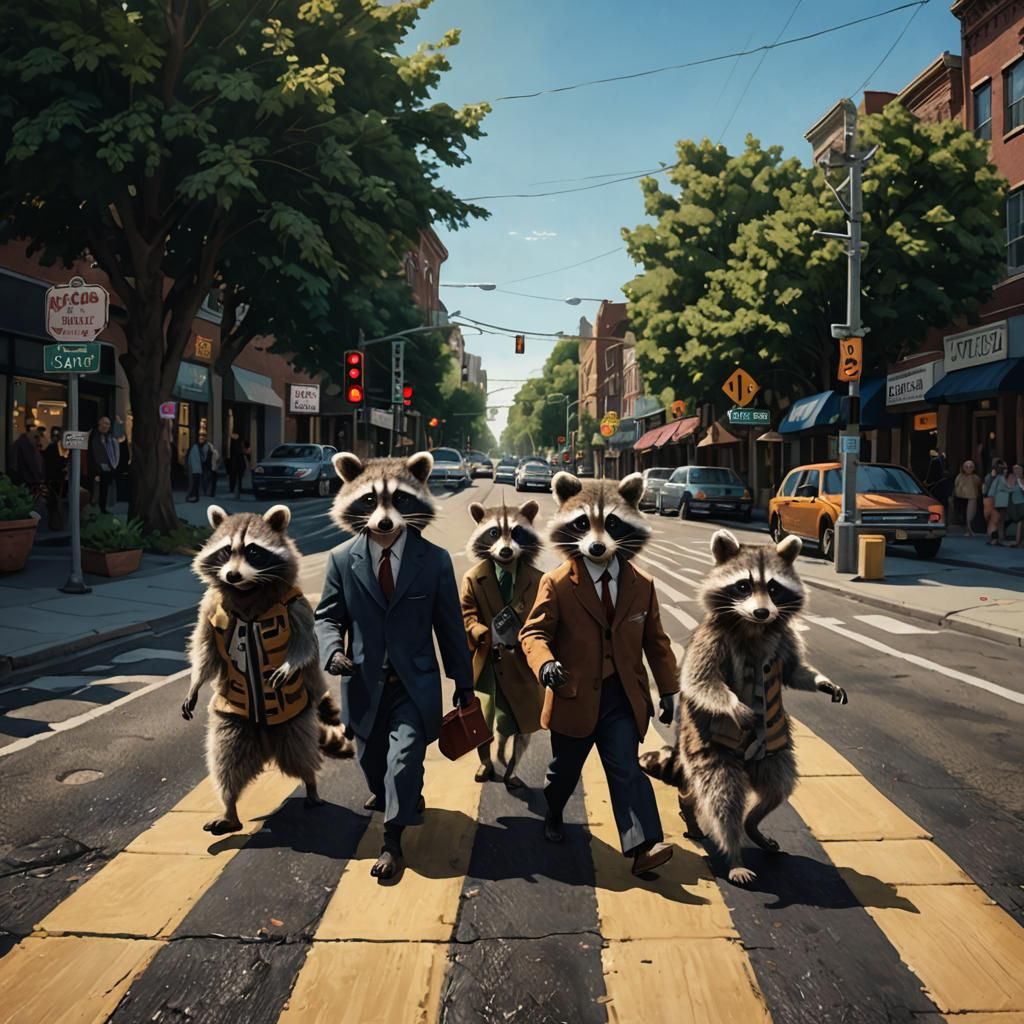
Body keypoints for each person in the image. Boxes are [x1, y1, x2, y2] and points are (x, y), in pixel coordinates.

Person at [314, 451, 474, 882]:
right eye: (370, 503)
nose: (383, 516)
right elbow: (327, 617)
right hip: (364, 683)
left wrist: (463, 683)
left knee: (403, 761)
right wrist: (332, 651)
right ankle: (395, 796)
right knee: (373, 766)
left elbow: (450, 627)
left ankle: (392, 842)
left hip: (413, 685)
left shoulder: (434, 561)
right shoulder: (341, 559)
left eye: (398, 502)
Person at [87, 416, 120, 513]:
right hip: (95, 466)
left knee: (104, 489)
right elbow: (92, 453)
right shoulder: (93, 435)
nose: (107, 426)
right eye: (105, 423)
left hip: (106, 467)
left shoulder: (109, 437)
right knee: (94, 488)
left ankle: (102, 508)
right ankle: (93, 508)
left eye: (108, 424)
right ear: (99, 423)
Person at [42, 426, 67, 531]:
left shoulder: (68, 449)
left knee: (59, 503)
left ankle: (57, 523)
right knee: (54, 503)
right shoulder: (52, 448)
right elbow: (48, 464)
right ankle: (55, 524)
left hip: (62, 480)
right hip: (53, 479)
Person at [9, 418, 44, 490]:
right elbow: (31, 463)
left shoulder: (21, 443)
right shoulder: (26, 446)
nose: (38, 442)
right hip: (26, 481)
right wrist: (38, 479)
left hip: (23, 480)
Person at [953, 459, 984, 537]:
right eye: (966, 467)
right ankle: (968, 529)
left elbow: (980, 487)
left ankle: (970, 529)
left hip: (972, 498)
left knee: (970, 514)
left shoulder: (976, 477)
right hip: (961, 498)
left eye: (971, 467)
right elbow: (956, 487)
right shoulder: (959, 477)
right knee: (964, 514)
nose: (968, 469)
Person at [985, 460, 1011, 546]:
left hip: (999, 500)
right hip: (998, 501)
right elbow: (994, 490)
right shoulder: (999, 478)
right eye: (1004, 468)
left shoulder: (999, 478)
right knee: (997, 521)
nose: (1005, 470)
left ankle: (997, 538)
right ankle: (997, 538)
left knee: (998, 521)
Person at [186, 432, 214, 502]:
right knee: (195, 484)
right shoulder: (198, 448)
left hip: (196, 469)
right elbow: (202, 459)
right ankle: (194, 496)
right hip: (196, 469)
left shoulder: (197, 448)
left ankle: (193, 496)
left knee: (195, 484)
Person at [1006, 464, 1024, 548]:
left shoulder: (1022, 480)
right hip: (1013, 503)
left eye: (1018, 468)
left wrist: (1019, 481)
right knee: (1019, 521)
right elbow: (1009, 488)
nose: (1016, 470)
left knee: (1021, 521)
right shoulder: (1011, 477)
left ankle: (1018, 542)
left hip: (1022, 503)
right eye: (1015, 468)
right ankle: (1018, 542)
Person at [227, 431, 249, 499]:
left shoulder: (236, 446)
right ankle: (235, 489)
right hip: (235, 463)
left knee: (235, 477)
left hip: (236, 464)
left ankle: (235, 489)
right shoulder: (236, 446)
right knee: (236, 477)